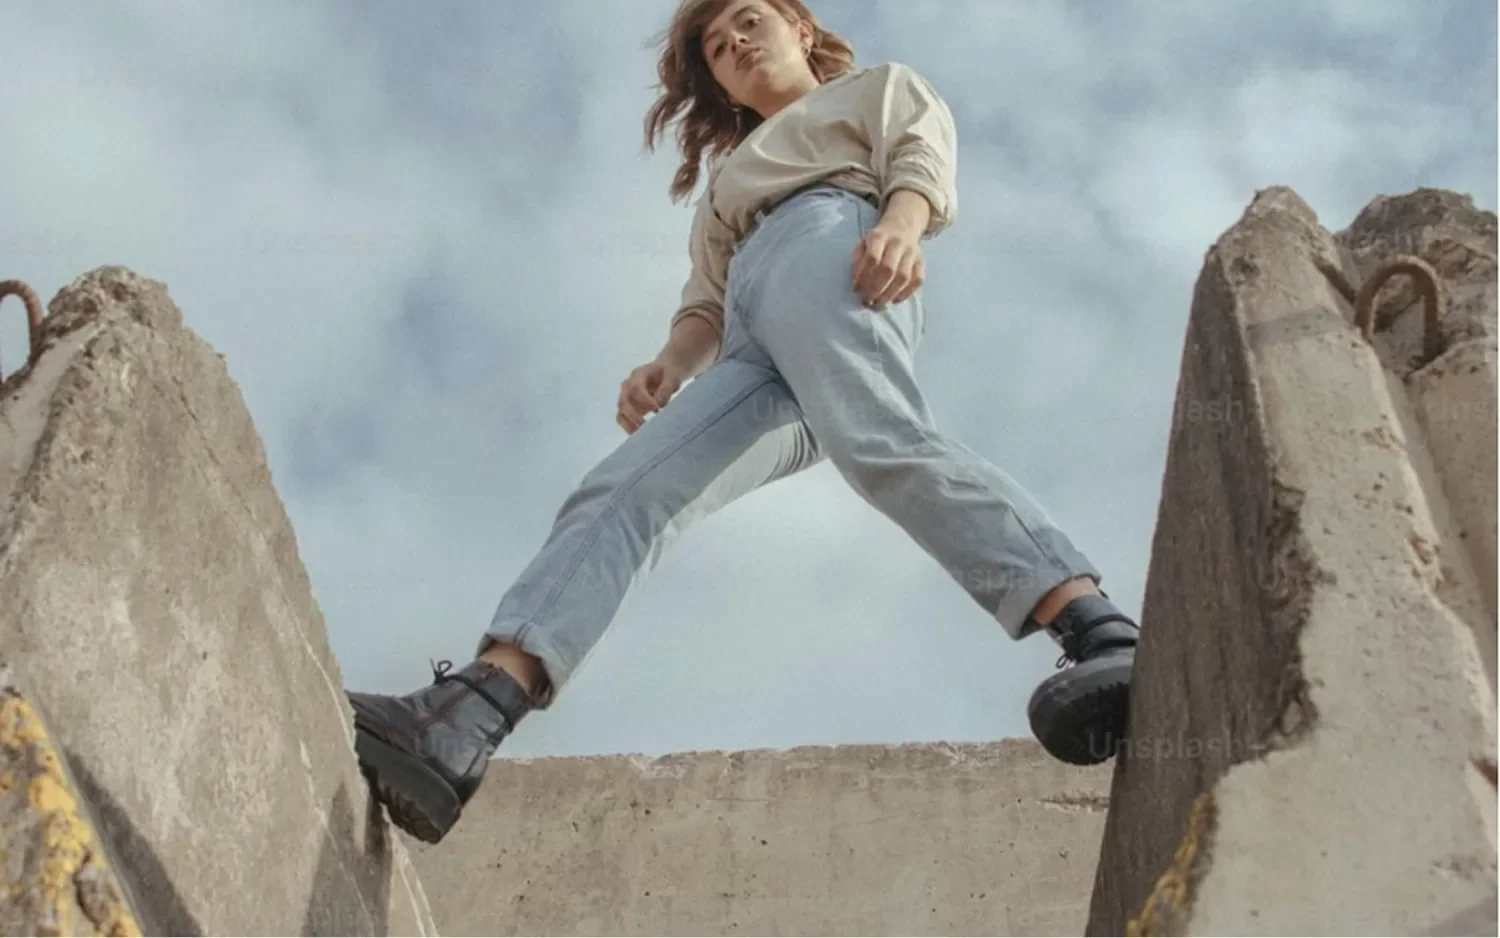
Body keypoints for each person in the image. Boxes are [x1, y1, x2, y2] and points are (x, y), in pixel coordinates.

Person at [346, 0, 1141, 845]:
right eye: (718, 48)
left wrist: (901, 225)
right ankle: (470, 714)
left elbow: (918, 154)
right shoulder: (727, 183)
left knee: (881, 443)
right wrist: (669, 363)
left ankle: (1099, 629)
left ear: (801, 27)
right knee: (625, 489)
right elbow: (707, 301)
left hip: (833, 246)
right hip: (748, 335)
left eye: (749, 22)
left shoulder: (873, 88)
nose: (734, 43)